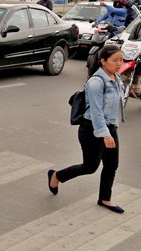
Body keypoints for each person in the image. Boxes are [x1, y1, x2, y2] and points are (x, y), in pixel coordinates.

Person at [48, 44, 125, 213]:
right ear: (103, 61)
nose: (119, 64)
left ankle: (105, 198)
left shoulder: (116, 79)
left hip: (110, 127)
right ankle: (57, 176)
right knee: (90, 167)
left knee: (112, 164)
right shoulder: (96, 83)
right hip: (91, 128)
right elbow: (96, 113)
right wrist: (105, 135)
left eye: (121, 60)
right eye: (115, 60)